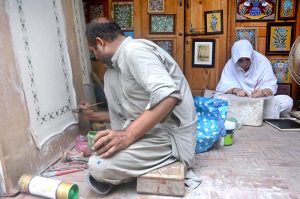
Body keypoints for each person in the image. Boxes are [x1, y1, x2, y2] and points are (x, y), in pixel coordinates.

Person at [82, 17, 198, 194]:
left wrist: (127, 136)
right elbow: (133, 112)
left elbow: (169, 96)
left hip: (169, 136)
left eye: (93, 51)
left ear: (100, 42)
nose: (95, 57)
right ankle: (131, 165)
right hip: (146, 132)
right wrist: (96, 117)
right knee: (100, 152)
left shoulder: (135, 51)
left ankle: (173, 160)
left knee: (98, 165)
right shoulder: (114, 70)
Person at [216, 39, 293, 117]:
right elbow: (222, 87)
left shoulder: (263, 61)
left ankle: (242, 115)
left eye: (247, 59)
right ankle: (257, 115)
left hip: (259, 101)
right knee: (217, 98)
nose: (245, 64)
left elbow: (271, 86)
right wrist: (235, 90)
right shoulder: (230, 64)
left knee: (287, 101)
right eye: (241, 60)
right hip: (239, 101)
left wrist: (263, 92)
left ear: (251, 56)